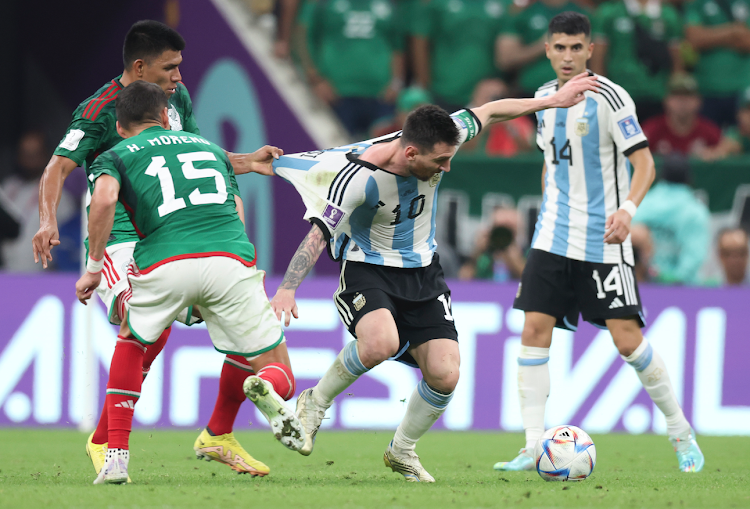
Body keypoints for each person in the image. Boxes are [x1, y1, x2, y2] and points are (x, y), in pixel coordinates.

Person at [269, 73, 599, 482]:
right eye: (439, 162)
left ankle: (402, 451)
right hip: (368, 268)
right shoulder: (360, 178)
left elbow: (493, 110)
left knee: (445, 374)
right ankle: (314, 403)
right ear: (410, 152)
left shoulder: (446, 135)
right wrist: (287, 288)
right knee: (380, 343)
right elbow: (319, 231)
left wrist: (555, 100)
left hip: (423, 273)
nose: (447, 166)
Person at [33, 20, 282, 479]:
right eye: (171, 68)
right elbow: (56, 167)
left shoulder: (175, 99)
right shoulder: (98, 111)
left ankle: (218, 434)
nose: (179, 78)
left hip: (170, 230)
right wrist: (48, 220)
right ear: (141, 67)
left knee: (236, 310)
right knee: (145, 319)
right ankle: (107, 440)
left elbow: (189, 152)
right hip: (120, 236)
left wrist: (247, 161)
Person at [493, 12, 704, 474]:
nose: (567, 56)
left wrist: (627, 210)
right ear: (547, 50)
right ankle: (532, 447)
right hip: (553, 234)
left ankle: (680, 432)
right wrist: (552, 202)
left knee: (628, 341)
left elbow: (644, 164)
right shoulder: (543, 98)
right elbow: (551, 161)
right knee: (532, 330)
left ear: (590, 50)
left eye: (576, 48)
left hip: (603, 239)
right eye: (559, 47)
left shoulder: (610, 97)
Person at [76, 81, 302, 484]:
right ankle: (263, 387)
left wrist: (93, 267)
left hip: (165, 261)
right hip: (229, 261)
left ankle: (116, 455)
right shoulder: (211, 151)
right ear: (166, 116)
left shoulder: (113, 155)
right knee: (274, 368)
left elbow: (105, 200)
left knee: (134, 337)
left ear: (121, 126)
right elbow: (234, 203)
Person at [297, 0, 406, 137]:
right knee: (336, 152)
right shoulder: (323, 4)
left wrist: (396, 82)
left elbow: (397, 45)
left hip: (381, 95)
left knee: (380, 154)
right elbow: (305, 38)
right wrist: (316, 80)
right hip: (337, 93)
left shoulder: (390, 5)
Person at [590, 0, 683, 123]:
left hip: (658, 94)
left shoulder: (668, 15)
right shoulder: (609, 12)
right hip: (620, 94)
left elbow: (677, 61)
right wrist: (600, 94)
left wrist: (674, 95)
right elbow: (598, 58)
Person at [411, 0, 507, 113]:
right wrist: (424, 85)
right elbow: (420, 41)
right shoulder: (436, 4)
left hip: (488, 94)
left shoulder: (505, 4)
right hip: (444, 91)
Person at [1, 132, 75, 272]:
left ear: (45, 156)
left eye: (35, 154)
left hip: (41, 275)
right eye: (25, 154)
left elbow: (68, 240)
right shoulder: (7, 187)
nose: (29, 159)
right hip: (5, 271)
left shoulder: (59, 194)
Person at [632, 156, 710, 285]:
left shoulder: (641, 203)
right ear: (689, 179)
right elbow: (695, 255)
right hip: (684, 292)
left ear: (660, 176)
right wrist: (675, 279)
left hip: (643, 288)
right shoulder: (696, 211)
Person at [497, 0, 588, 97]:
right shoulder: (523, 14)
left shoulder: (583, 14)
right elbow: (505, 59)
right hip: (531, 93)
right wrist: (543, 45)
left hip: (574, 92)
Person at [684, 0, 750, 128]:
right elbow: (694, 39)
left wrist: (711, 36)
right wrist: (733, 32)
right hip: (707, 88)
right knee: (709, 142)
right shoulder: (698, 4)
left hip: (743, 89)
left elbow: (747, 41)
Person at [642, 74, 722, 157]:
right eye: (676, 96)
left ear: (698, 101)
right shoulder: (652, 129)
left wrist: (718, 152)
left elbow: (725, 148)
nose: (682, 101)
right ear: (666, 100)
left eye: (688, 96)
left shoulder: (709, 130)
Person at [702, 86, 750, 159]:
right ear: (738, 114)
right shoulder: (733, 134)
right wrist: (722, 151)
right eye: (747, 110)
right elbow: (727, 146)